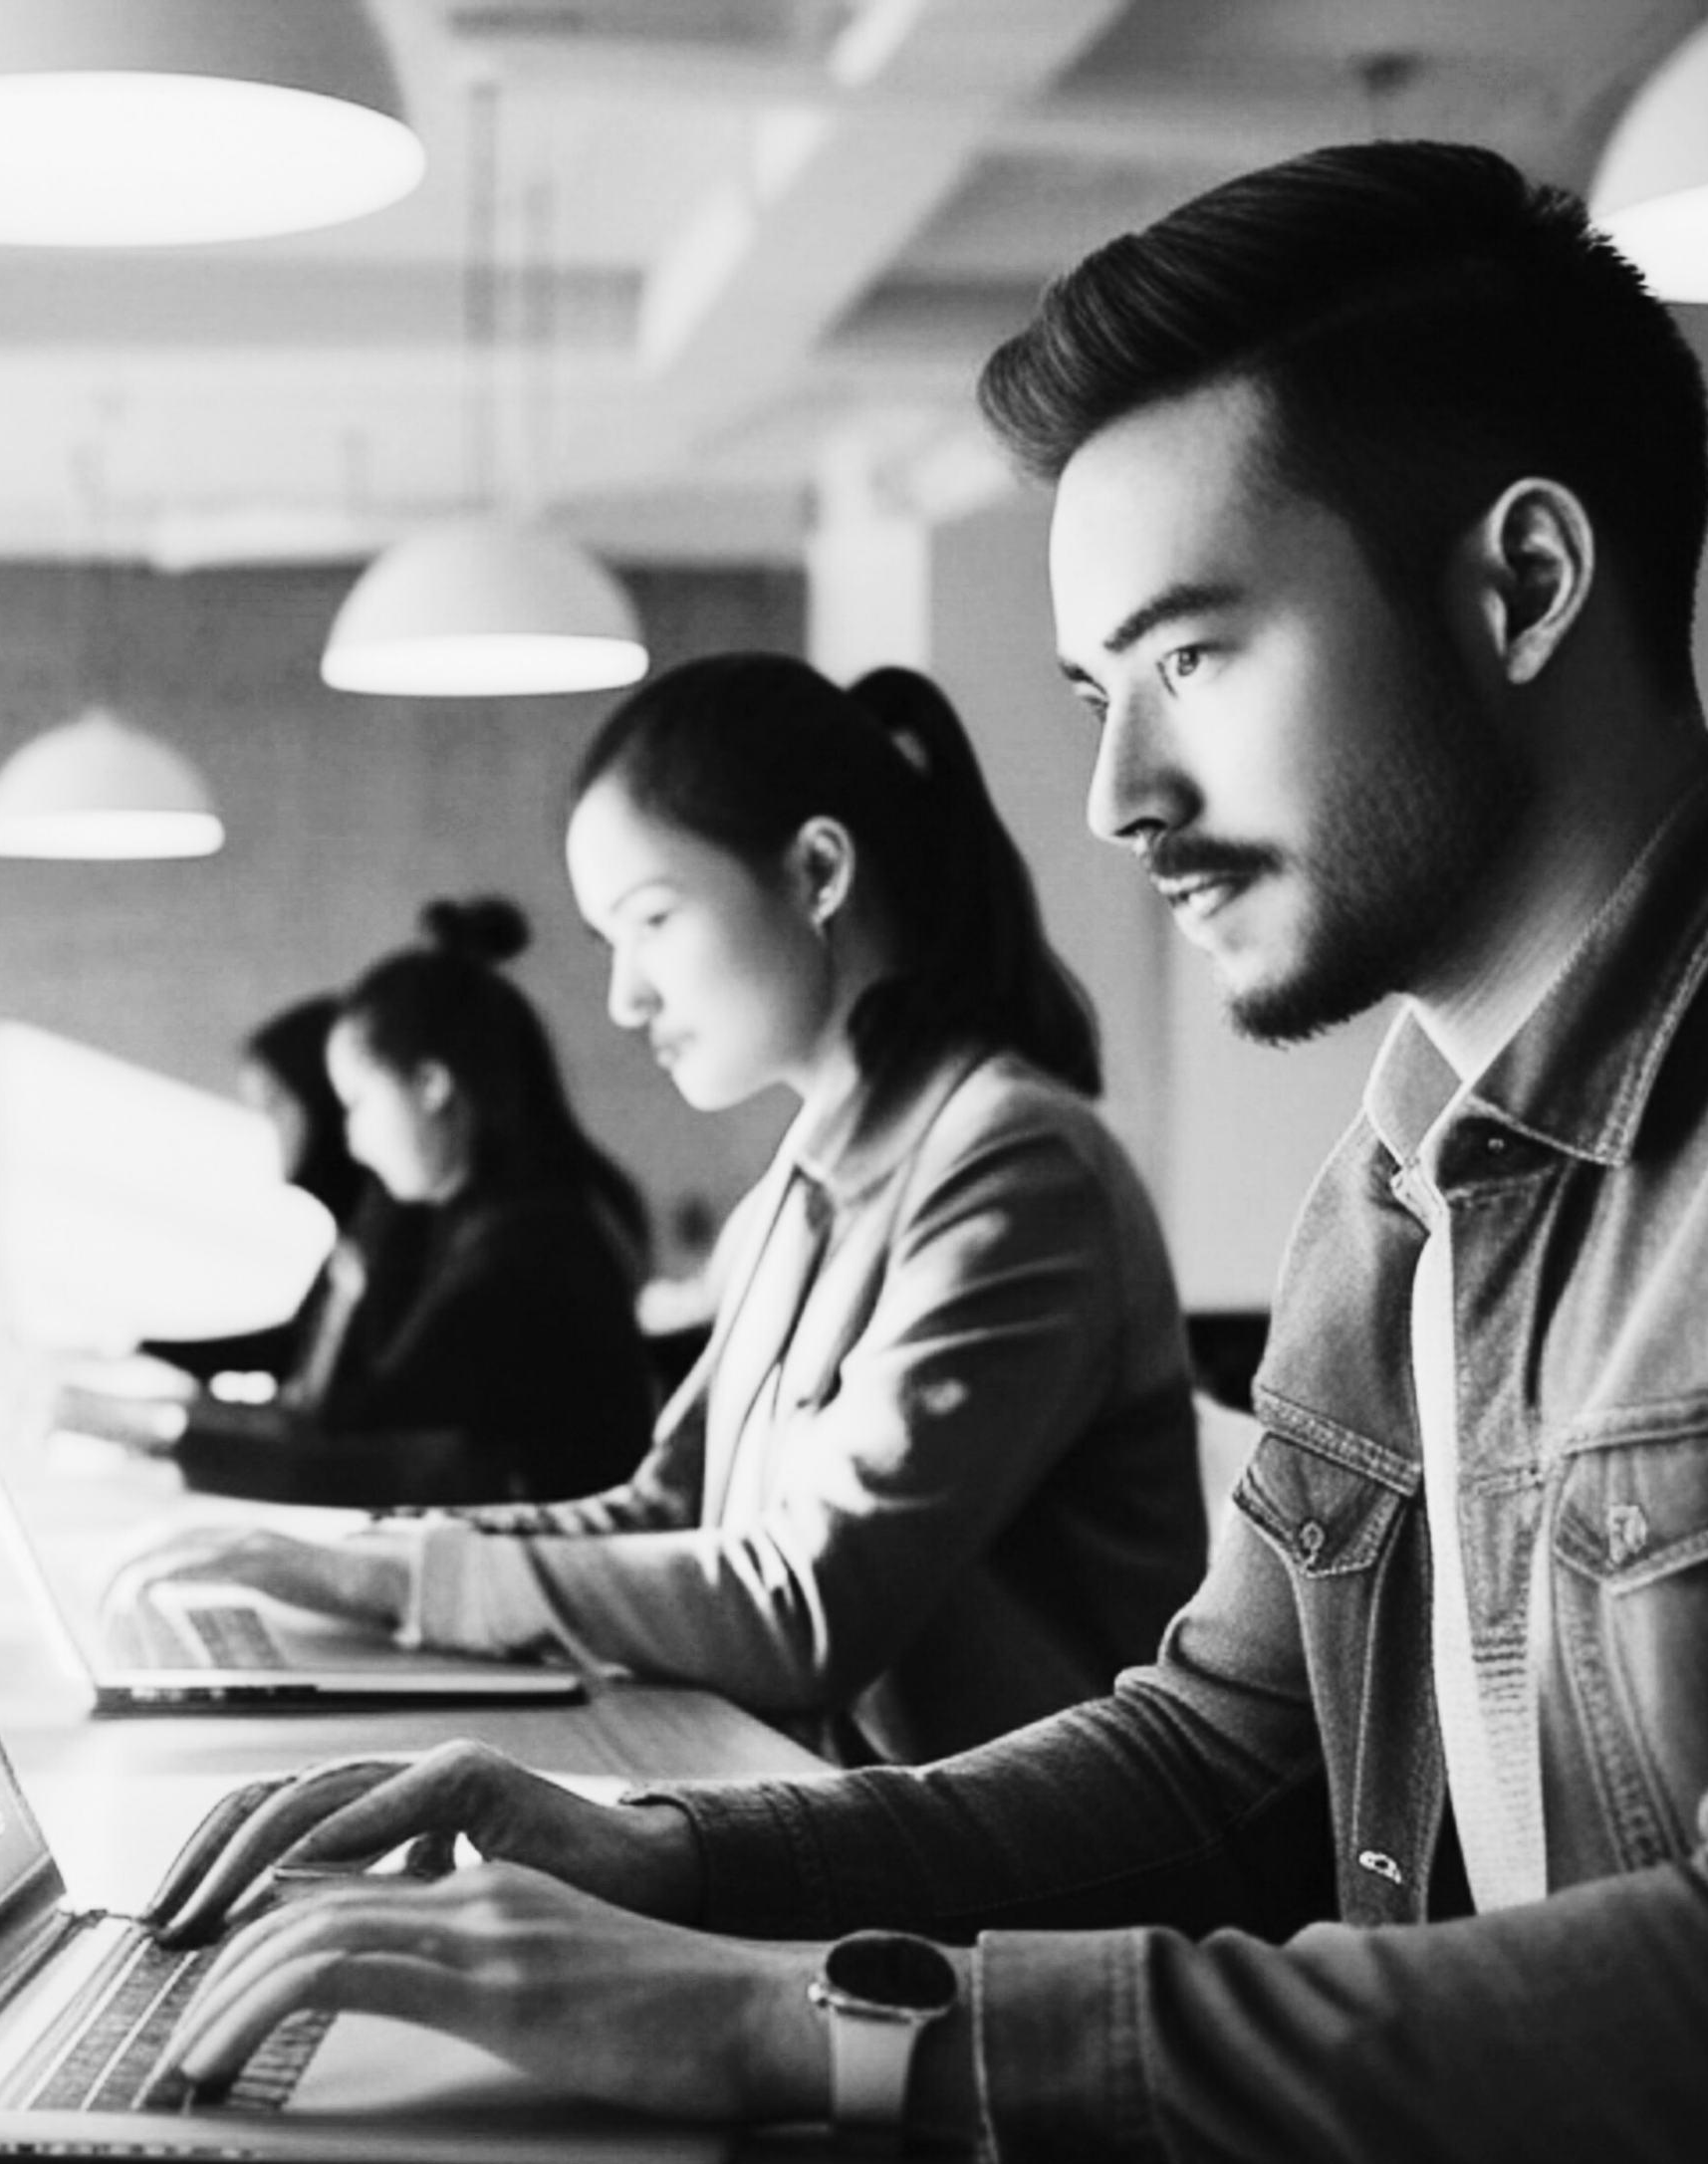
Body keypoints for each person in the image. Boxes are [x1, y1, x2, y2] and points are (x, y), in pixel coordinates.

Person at [139, 142, 1708, 2164]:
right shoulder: (1406, 1162)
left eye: (1193, 654)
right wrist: (681, 1860)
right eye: (1101, 694)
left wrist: (818, 2024)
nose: (1114, 798)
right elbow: (1217, 1753)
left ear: (1526, 582)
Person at [118, 654, 1206, 1760]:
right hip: (805, 1808)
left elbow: (804, 1607)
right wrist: (363, 1561)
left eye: (651, 921)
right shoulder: (798, 1186)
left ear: (818, 872)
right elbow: (669, 1512)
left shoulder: (1016, 1166)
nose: (625, 996)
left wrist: (380, 1573)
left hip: (988, 1900)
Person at [96, 899, 660, 1509]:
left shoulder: (524, 1251)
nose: (354, 1142)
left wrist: (155, 1440)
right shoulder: (512, 1221)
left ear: (430, 1086)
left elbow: (366, 1437)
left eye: (359, 1103)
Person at [129, 992, 403, 1391]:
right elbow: (296, 1347)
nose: (267, 1135)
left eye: (274, 1107)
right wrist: (136, 1349)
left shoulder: (392, 1231)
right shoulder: (359, 1226)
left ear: (326, 1101)